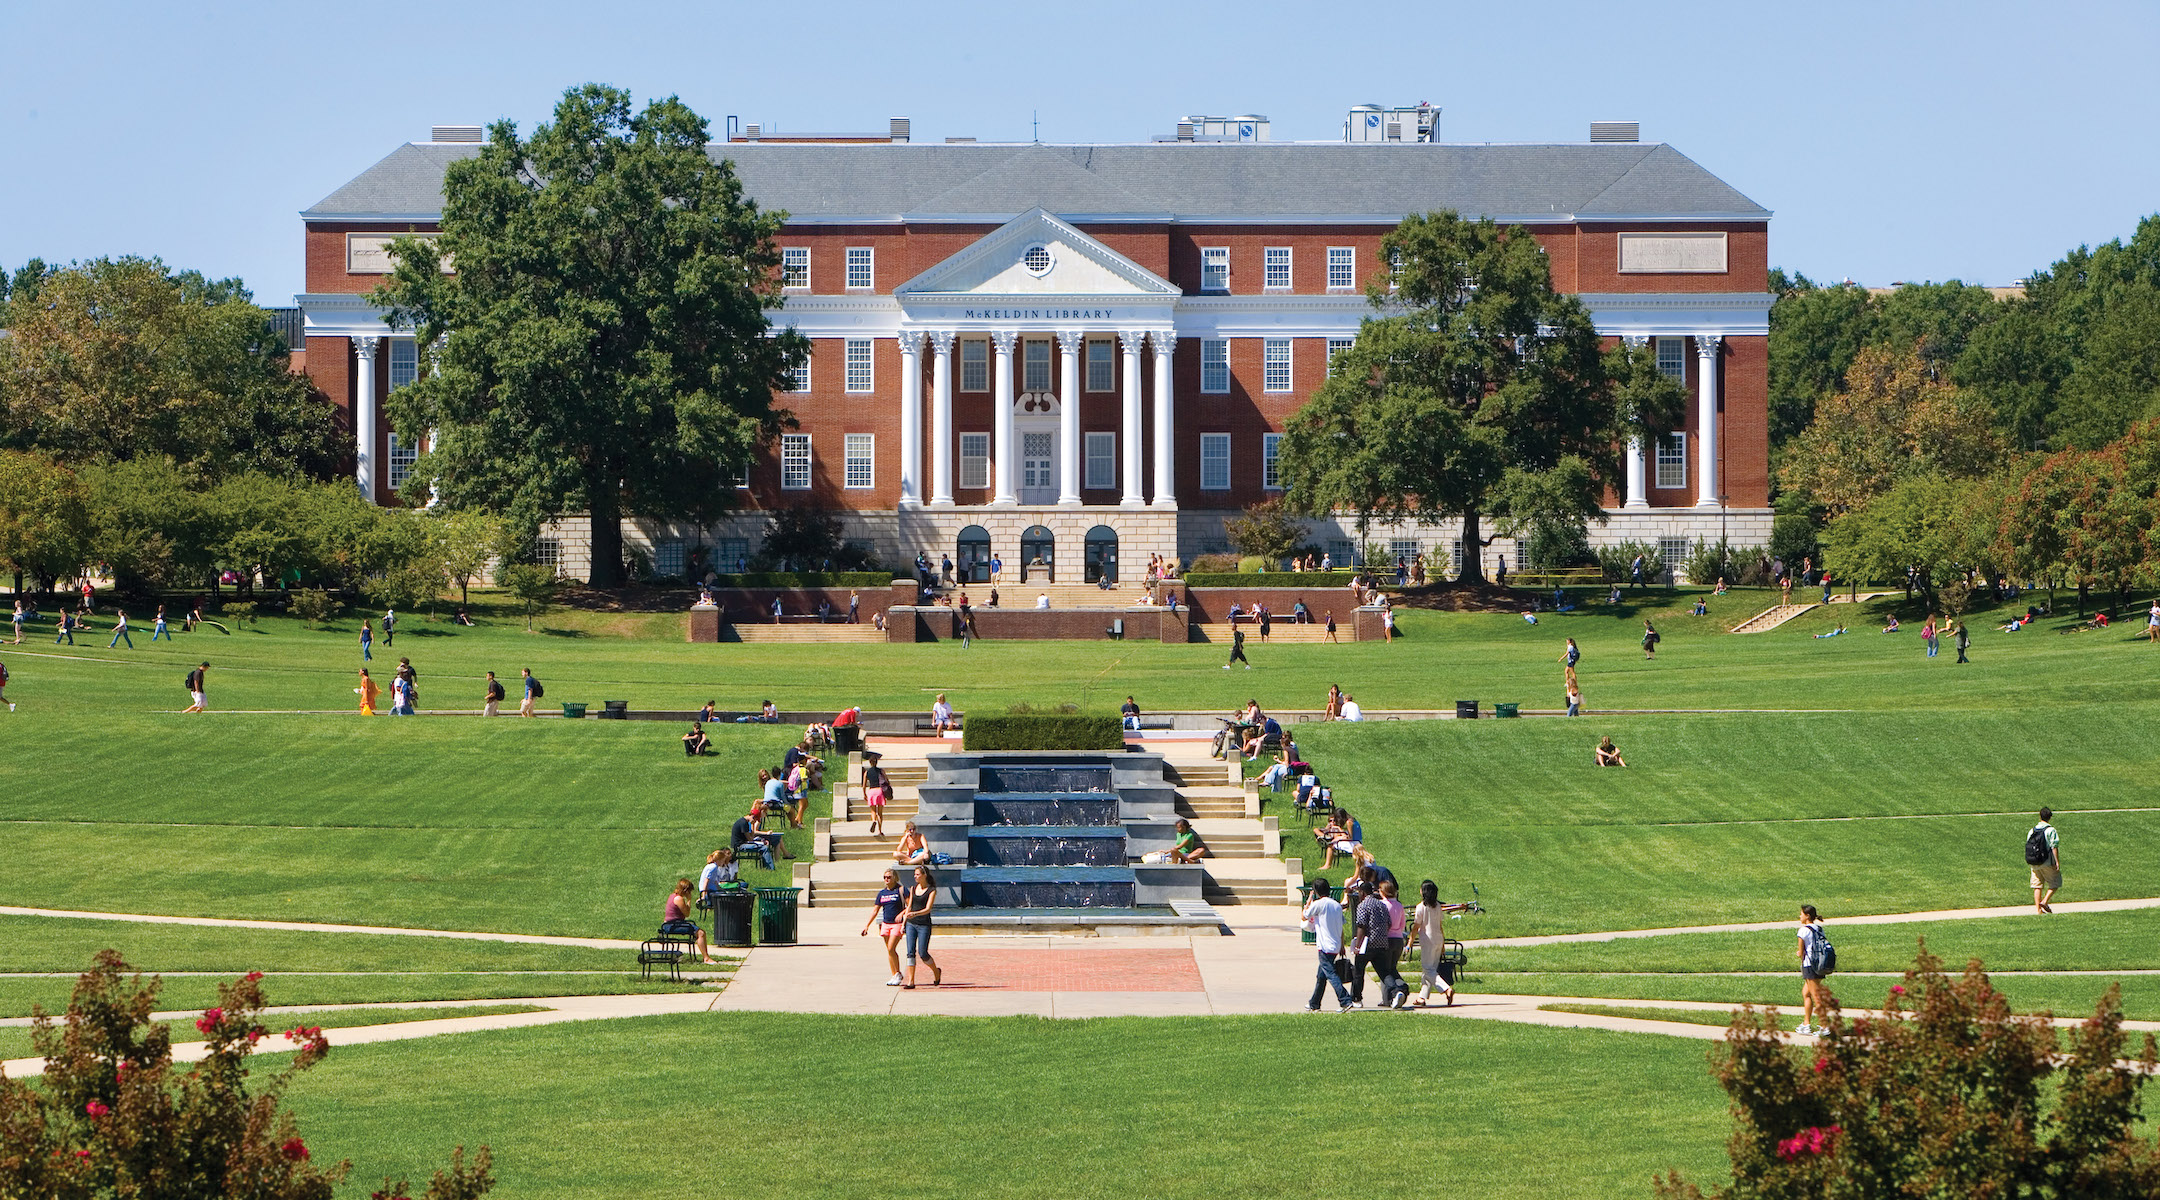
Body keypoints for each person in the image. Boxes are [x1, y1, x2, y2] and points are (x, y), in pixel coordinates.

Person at [1303, 877, 1355, 1011]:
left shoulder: (1319, 904)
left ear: (1316, 891)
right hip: (1336, 945)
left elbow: (1305, 916)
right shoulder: (1336, 905)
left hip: (1325, 947)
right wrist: (1342, 945)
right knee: (1321, 975)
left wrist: (1308, 902)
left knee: (1331, 974)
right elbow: (1341, 928)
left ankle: (1345, 1000)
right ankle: (1314, 1003)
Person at [861, 867, 909, 985]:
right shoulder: (882, 893)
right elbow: (875, 910)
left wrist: (901, 914)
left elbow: (910, 906)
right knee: (890, 951)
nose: (886, 879)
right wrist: (867, 925)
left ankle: (897, 974)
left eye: (889, 877)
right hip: (886, 923)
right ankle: (895, 974)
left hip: (897, 924)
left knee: (891, 948)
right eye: (884, 877)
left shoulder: (901, 890)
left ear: (894, 878)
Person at [1412, 879, 1455, 1007]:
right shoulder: (1438, 907)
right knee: (1430, 970)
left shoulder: (1421, 907)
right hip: (1438, 939)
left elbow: (1415, 927)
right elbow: (1440, 926)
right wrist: (1443, 945)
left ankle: (1446, 988)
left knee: (1428, 969)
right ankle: (1422, 997)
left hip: (1427, 941)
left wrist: (1410, 942)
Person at [1795, 904, 1835, 1036]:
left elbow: (1801, 952)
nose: (1799, 916)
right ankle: (1806, 1024)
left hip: (1809, 966)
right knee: (1806, 993)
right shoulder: (1819, 928)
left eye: (1801, 914)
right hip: (1819, 965)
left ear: (1807, 916)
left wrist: (1798, 953)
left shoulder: (1803, 930)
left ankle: (1824, 1027)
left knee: (1816, 997)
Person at [900, 866, 941, 988]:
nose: (915, 876)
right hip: (911, 924)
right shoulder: (913, 888)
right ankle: (911, 981)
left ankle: (936, 972)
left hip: (924, 925)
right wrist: (904, 922)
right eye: (914, 874)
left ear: (924, 875)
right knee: (910, 952)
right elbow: (909, 906)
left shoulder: (931, 890)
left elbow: (928, 909)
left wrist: (916, 913)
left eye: (917, 874)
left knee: (923, 953)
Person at [661, 878, 719, 965]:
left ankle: (705, 957)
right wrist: (689, 900)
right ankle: (706, 958)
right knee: (701, 933)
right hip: (672, 925)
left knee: (698, 931)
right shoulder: (678, 899)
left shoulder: (672, 895)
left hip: (670, 924)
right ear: (686, 891)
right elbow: (687, 913)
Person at [2028, 807, 2062, 914]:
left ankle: (2038, 910)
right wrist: (2056, 861)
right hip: (2047, 862)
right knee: (2055, 883)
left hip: (2034, 861)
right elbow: (2054, 846)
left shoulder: (2032, 830)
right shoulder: (2051, 830)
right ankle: (2045, 901)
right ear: (2049, 818)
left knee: (2037, 886)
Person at [862, 754, 891, 836]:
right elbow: (887, 781)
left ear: (870, 762)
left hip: (871, 791)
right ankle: (880, 830)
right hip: (879, 791)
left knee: (873, 810)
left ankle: (873, 820)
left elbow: (864, 785)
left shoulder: (867, 772)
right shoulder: (881, 771)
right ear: (877, 762)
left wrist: (864, 794)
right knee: (880, 813)